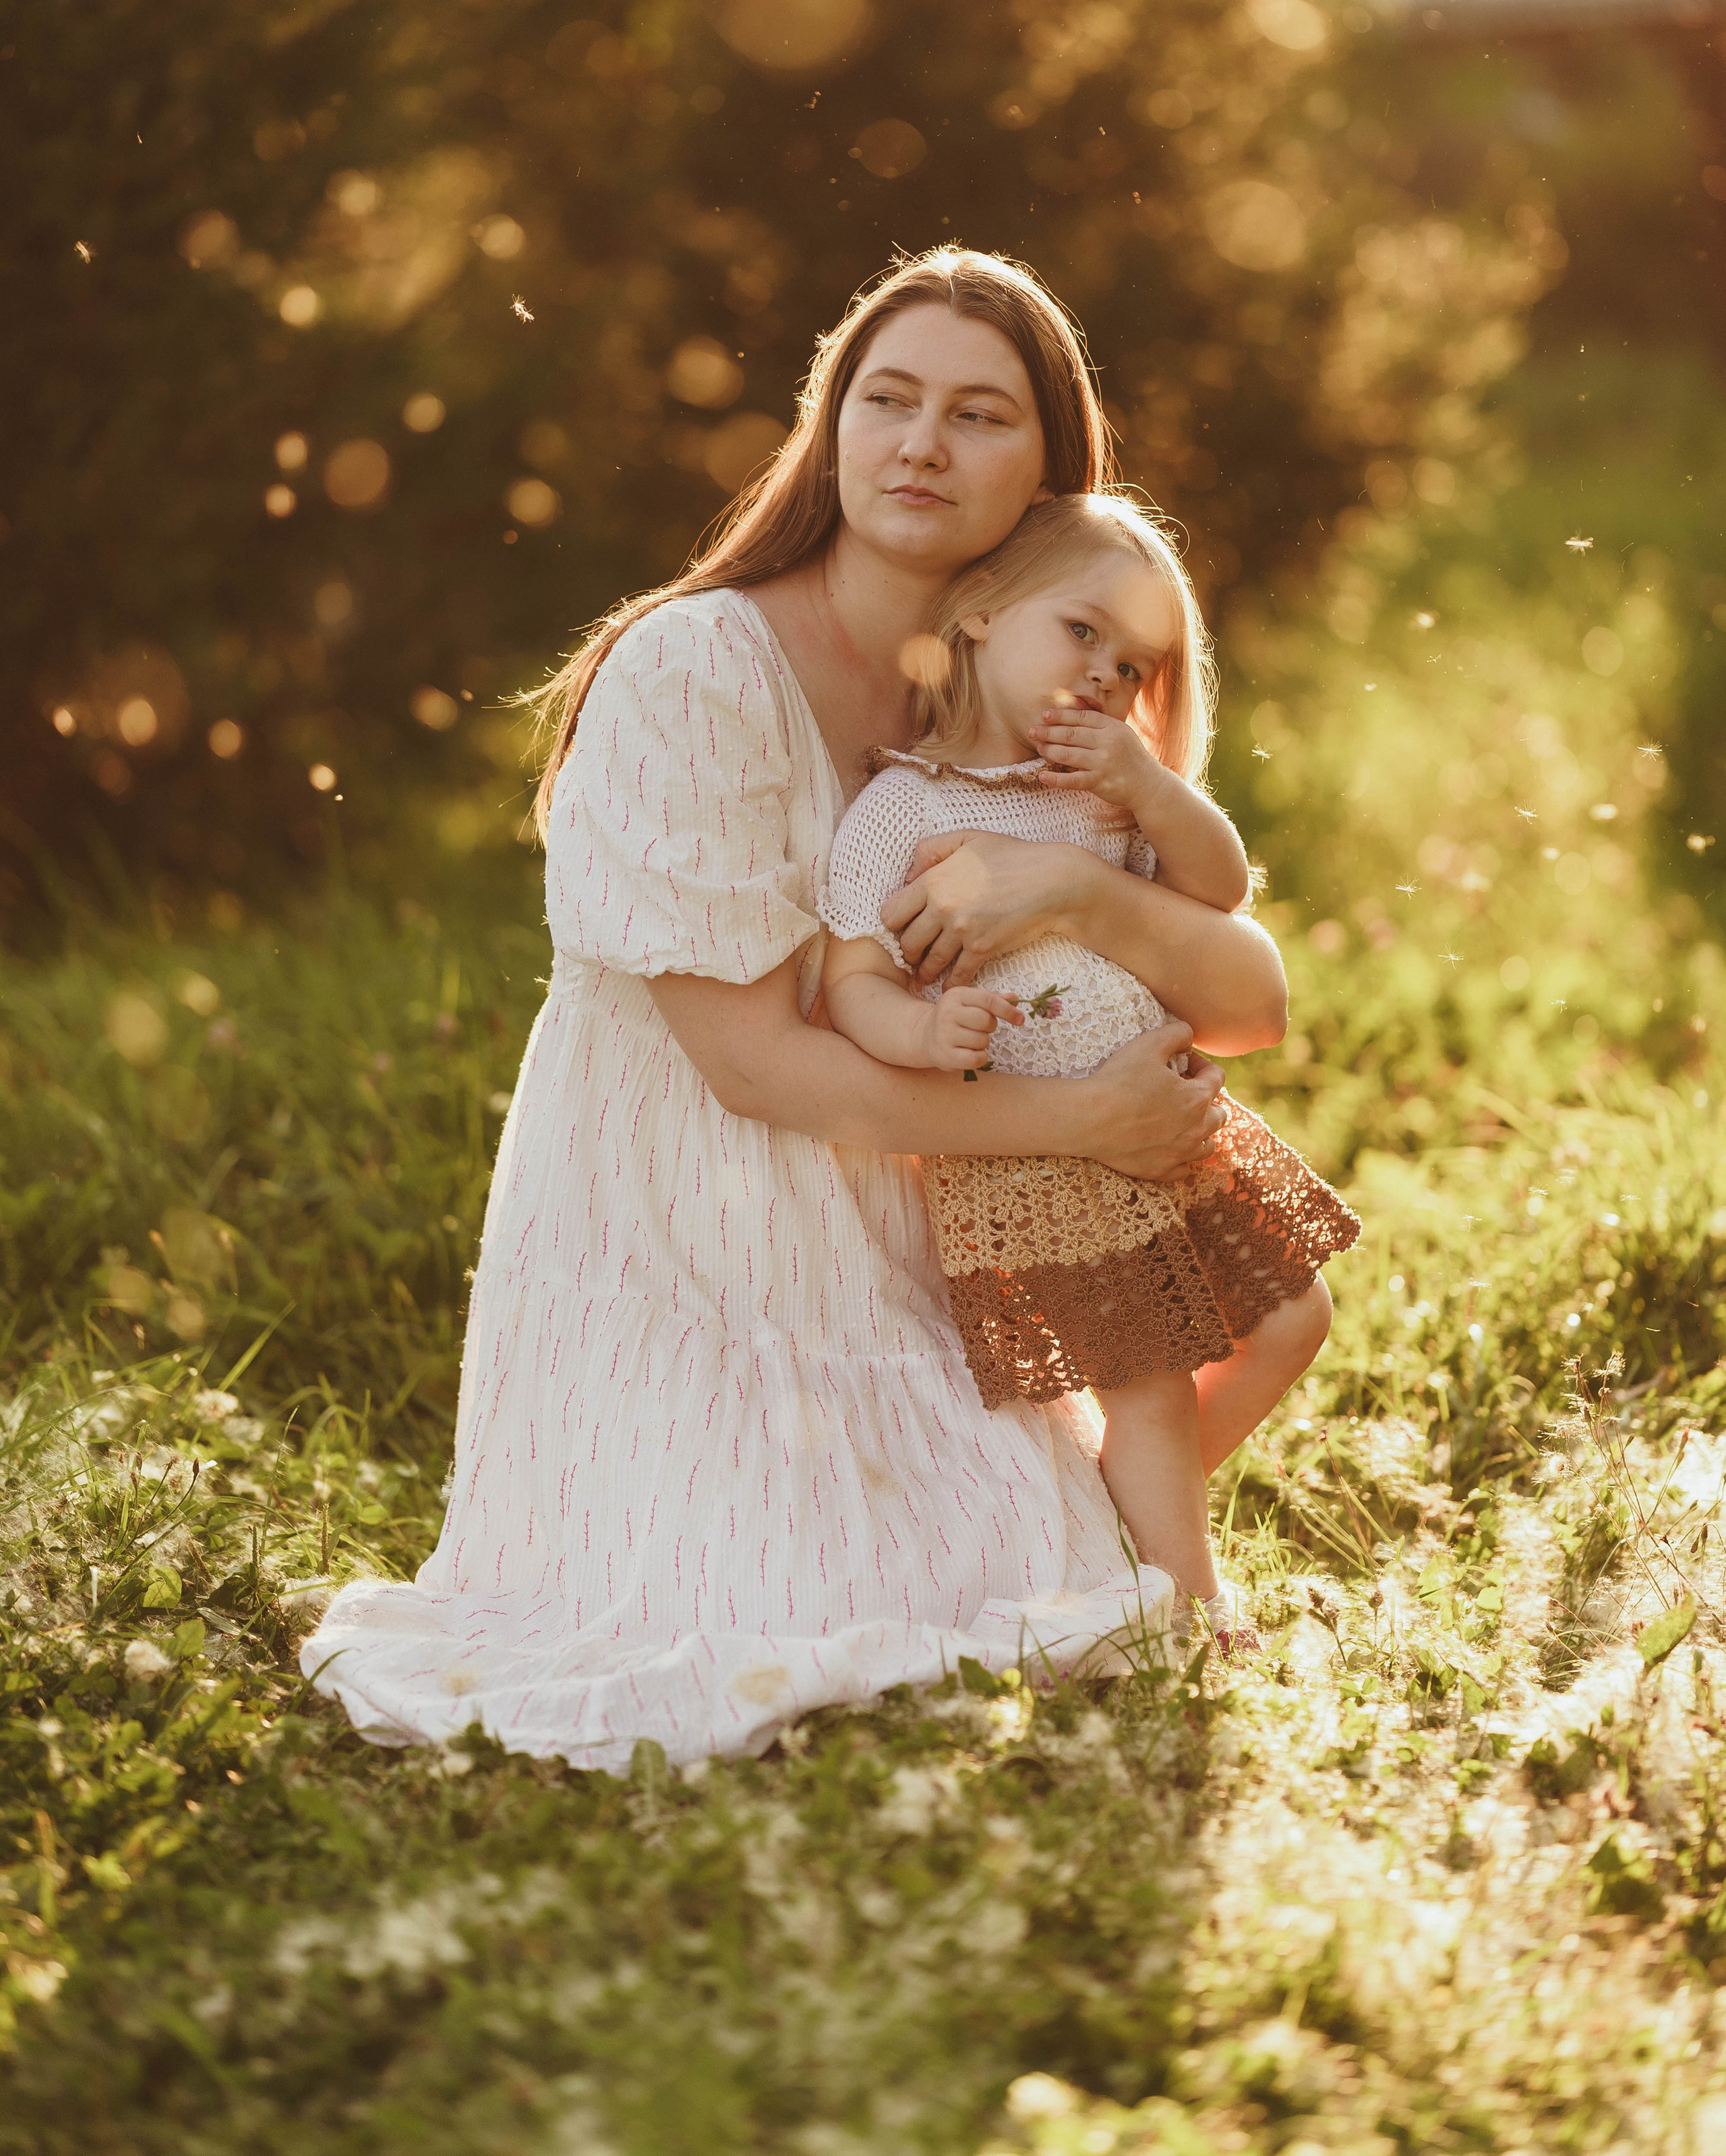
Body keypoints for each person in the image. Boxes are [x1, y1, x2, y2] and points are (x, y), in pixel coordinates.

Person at [301, 247, 1297, 1772]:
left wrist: (1080, 897)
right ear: (827, 428)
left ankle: (1092, 1508)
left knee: (1043, 1554)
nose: (918, 443)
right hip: (689, 1215)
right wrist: (1084, 1115)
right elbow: (753, 1066)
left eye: (977, 415)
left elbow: (1245, 1007)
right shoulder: (694, 670)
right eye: (883, 399)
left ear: (1045, 481)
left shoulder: (1032, 711)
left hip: (923, 1199)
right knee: (814, 1592)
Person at [820, 490, 1357, 1642]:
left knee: (1293, 1319)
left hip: (1168, 1123)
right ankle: (1185, 1605)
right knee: (1149, 1380)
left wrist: (1150, 783)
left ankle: (1105, 1529)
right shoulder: (900, 805)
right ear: (975, 610)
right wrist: (917, 1036)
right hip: (1043, 1150)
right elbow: (852, 978)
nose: (1108, 676)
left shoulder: (1098, 800)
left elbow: (1218, 893)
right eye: (1083, 633)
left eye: (1135, 666)